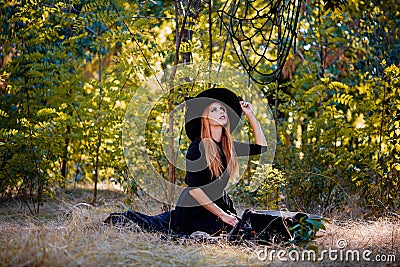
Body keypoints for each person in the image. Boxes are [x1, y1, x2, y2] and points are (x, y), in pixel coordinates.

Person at [171, 88, 268, 236]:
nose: (221, 111)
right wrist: (222, 215)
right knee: (235, 234)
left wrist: (250, 114)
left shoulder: (228, 147)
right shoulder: (197, 146)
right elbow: (194, 189)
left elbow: (261, 148)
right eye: (214, 110)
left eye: (223, 109)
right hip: (196, 208)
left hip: (219, 203)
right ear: (205, 118)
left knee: (250, 231)